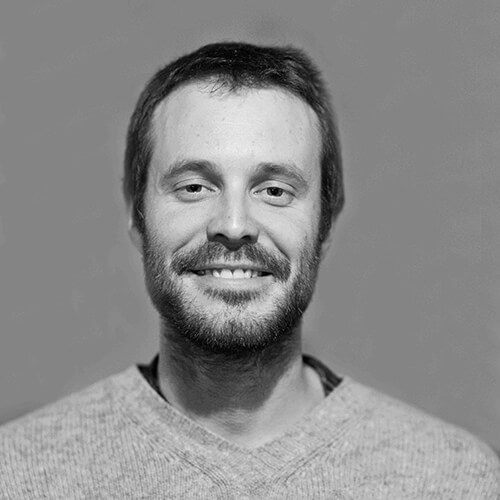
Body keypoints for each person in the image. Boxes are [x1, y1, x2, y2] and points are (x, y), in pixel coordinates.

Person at [1, 41, 499, 499]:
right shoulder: (18, 473)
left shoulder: (451, 479)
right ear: (137, 216)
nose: (234, 225)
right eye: (194, 187)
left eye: (275, 190)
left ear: (325, 224)